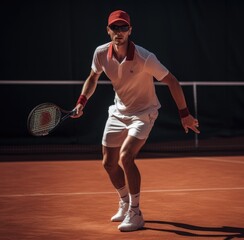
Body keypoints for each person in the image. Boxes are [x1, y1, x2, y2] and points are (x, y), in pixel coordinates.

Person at [72, 10, 200, 232]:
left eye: (123, 28)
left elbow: (172, 81)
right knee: (108, 163)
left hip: (144, 112)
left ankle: (136, 212)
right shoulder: (101, 53)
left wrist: (185, 114)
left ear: (130, 31)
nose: (119, 32)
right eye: (115, 28)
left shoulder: (144, 57)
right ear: (108, 30)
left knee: (126, 156)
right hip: (119, 111)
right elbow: (93, 77)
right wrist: (81, 102)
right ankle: (124, 202)